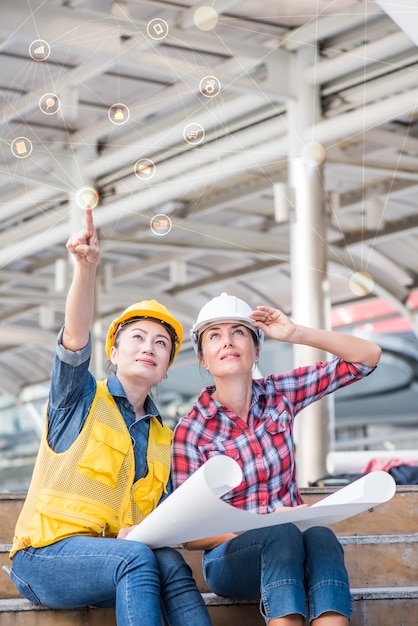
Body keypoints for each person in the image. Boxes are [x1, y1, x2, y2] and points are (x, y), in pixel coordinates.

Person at [9, 208, 212, 626]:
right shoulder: (79, 398)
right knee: (137, 559)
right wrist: (86, 270)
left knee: (171, 565)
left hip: (115, 556)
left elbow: (166, 519)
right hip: (43, 557)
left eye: (161, 344)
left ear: (168, 366)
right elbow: (75, 338)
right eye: (136, 337)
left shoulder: (162, 438)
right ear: (113, 353)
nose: (149, 347)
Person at [171, 292, 382, 626]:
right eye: (215, 335)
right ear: (204, 359)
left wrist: (297, 333)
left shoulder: (280, 394)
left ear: (256, 350)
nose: (227, 341)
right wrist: (265, 521)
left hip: (292, 546)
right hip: (230, 560)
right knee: (282, 533)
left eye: (239, 332)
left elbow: (367, 358)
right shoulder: (192, 430)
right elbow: (189, 534)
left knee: (321, 536)